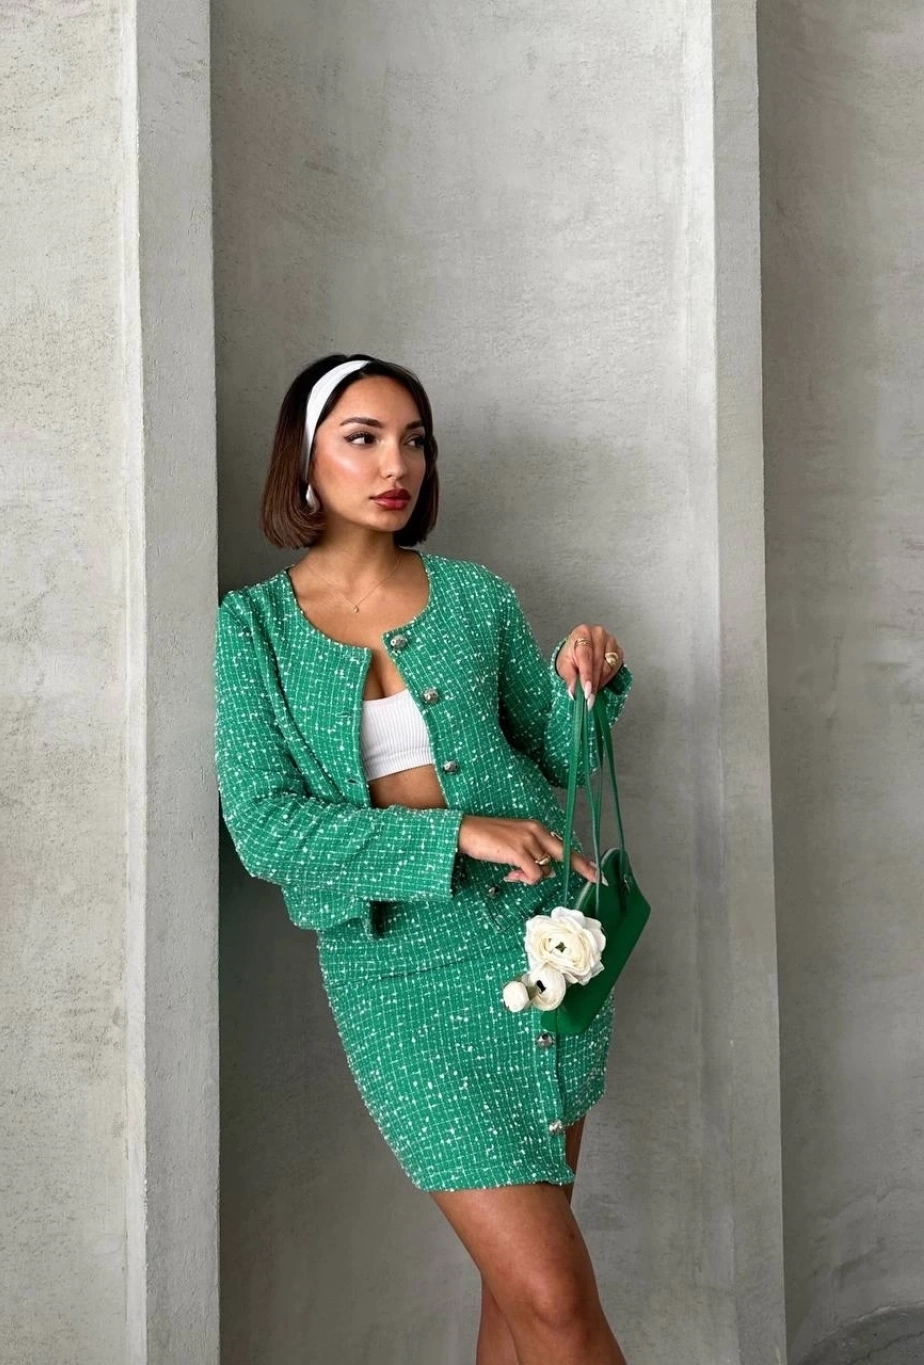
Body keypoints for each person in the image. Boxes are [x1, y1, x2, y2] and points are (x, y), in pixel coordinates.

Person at [215, 352, 634, 1364]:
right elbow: (267, 828)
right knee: (551, 1298)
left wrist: (585, 681)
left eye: (413, 441)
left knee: (526, 1300)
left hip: (543, 945)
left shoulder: (476, 597)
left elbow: (561, 757)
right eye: (361, 438)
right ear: (304, 460)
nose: (394, 463)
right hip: (397, 977)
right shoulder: (253, 628)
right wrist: (458, 833)